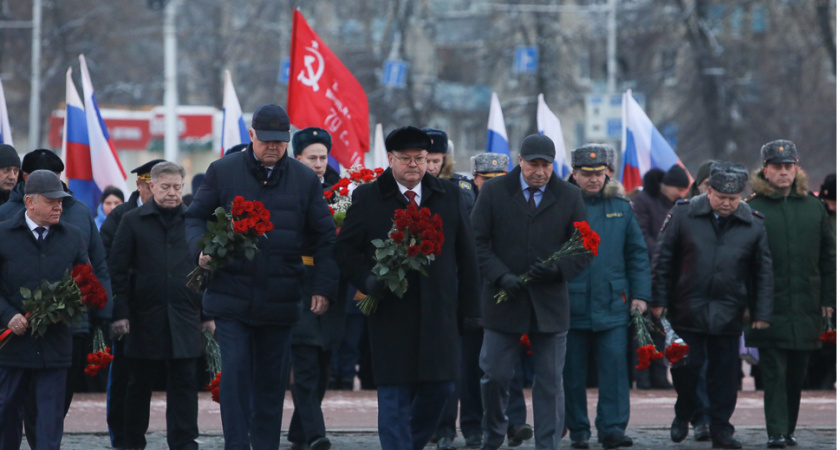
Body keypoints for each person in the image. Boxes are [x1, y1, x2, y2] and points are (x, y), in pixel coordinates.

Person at [186, 104, 337, 449]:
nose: (273, 147)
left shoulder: (303, 179)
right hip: (230, 294)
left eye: (280, 142)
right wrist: (200, 249)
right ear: (251, 135)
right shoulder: (223, 171)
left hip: (281, 297)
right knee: (236, 376)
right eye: (266, 140)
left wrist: (323, 287)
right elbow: (194, 217)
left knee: (271, 384)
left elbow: (324, 237)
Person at [334, 126, 480, 450]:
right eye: (406, 159)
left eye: (420, 158)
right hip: (390, 312)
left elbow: (467, 257)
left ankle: (409, 444)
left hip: (439, 311)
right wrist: (367, 280)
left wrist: (471, 311)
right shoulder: (369, 197)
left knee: (442, 387)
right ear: (390, 159)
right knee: (394, 393)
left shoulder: (451, 195)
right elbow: (344, 250)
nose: (414, 165)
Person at [472, 134, 590, 450]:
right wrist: (500, 275)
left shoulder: (569, 196)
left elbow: (584, 247)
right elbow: (477, 241)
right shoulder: (495, 191)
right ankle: (494, 433)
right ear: (520, 161)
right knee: (494, 375)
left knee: (550, 382)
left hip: (549, 303)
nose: (539, 171)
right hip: (503, 300)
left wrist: (557, 270)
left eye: (546, 165)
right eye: (533, 164)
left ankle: (547, 443)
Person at [652, 161, 774, 450]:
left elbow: (763, 272)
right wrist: (658, 300)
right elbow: (662, 261)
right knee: (686, 368)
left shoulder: (753, 224)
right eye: (721, 197)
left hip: (729, 312)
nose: (727, 204)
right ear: (709, 191)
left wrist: (762, 311)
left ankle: (721, 428)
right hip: (687, 307)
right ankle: (686, 411)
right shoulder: (683, 214)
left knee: (725, 375)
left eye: (733, 199)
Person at [0, 149, 114, 449]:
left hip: (56, 342)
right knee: (6, 412)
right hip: (13, 343)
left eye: (60, 201)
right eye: (50, 201)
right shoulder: (3, 235)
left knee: (50, 418)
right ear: (29, 201)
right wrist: (7, 314)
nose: (58, 207)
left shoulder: (73, 236)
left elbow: (89, 283)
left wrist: (73, 308)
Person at [109, 161, 210, 450]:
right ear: (151, 186)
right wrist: (121, 314)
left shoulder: (194, 221)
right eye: (165, 187)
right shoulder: (132, 221)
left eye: (177, 187)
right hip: (143, 318)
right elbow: (118, 271)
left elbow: (206, 271)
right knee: (138, 385)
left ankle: (184, 442)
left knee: (185, 386)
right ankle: (131, 442)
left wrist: (206, 314)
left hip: (185, 316)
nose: (172, 193)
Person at [744, 140, 835, 448]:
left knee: (798, 373)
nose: (783, 172)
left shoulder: (813, 207)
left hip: (806, 303)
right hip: (768, 305)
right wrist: (749, 304)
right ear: (765, 170)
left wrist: (828, 300)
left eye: (788, 167)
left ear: (796, 168)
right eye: (777, 167)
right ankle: (776, 431)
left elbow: (828, 257)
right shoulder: (752, 208)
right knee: (774, 372)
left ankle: (789, 428)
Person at [564, 144, 650, 449]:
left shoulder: (622, 207)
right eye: (585, 173)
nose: (592, 179)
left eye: (598, 173)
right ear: (574, 174)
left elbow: (637, 254)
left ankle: (612, 428)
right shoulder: (561, 206)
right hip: (570, 306)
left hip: (613, 304)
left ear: (607, 173)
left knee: (614, 372)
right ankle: (578, 430)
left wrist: (640, 294)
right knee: (571, 374)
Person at [99, 158, 164, 449]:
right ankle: (122, 438)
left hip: (165, 311)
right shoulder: (122, 216)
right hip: (130, 311)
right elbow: (107, 265)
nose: (161, 192)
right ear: (140, 185)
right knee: (125, 379)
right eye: (154, 186)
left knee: (157, 379)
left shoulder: (176, 214)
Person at [287, 126, 342, 450]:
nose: (319, 163)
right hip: (299, 283)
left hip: (333, 282)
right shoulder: (289, 188)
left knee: (323, 366)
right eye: (312, 157)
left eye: (323, 157)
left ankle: (299, 433)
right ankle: (316, 434)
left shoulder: (342, 190)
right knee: (305, 363)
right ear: (298, 158)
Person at [632, 164, 689, 390]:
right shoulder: (644, 201)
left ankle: (658, 375)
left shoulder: (678, 206)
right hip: (647, 273)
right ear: (664, 185)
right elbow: (641, 234)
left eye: (683, 188)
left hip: (668, 275)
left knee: (663, 328)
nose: (679, 192)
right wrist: (663, 254)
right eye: (676, 187)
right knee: (644, 330)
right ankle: (643, 376)